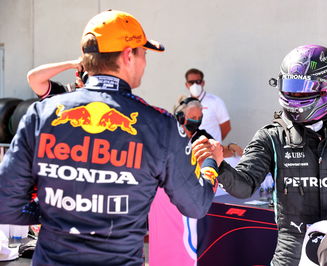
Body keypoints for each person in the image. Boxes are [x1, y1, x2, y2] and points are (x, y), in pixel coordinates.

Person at [0, 10, 221, 266]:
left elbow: (7, 203)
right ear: (128, 55)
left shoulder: (42, 114)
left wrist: (59, 211)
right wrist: (209, 164)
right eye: (144, 54)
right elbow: (196, 205)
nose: (145, 63)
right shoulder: (160, 125)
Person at [193, 44, 327, 265]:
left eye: (302, 87)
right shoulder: (271, 137)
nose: (295, 94)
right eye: (289, 86)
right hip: (290, 256)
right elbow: (244, 185)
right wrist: (219, 164)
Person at [148, 97, 242, 266]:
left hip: (185, 200)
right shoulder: (170, 133)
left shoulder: (201, 136)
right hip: (169, 199)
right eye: (192, 117)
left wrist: (226, 151)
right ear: (181, 116)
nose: (196, 121)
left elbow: (214, 151)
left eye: (199, 118)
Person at [185, 68, 231, 142]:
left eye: (198, 81)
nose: (195, 85)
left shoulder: (215, 101)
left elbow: (226, 127)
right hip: (192, 150)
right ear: (186, 84)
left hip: (213, 150)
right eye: (191, 82)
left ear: (203, 83)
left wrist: (214, 143)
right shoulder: (184, 104)